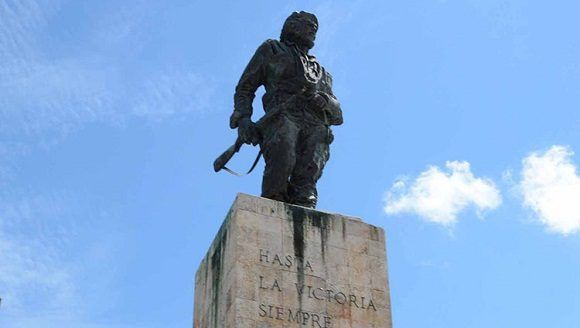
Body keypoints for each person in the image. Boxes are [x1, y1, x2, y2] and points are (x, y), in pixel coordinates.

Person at [229, 11, 342, 208]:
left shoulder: (321, 72)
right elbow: (245, 87)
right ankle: (274, 201)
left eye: (315, 28)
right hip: (282, 115)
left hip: (314, 121)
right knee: (284, 151)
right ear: (292, 27)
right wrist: (244, 118)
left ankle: (304, 199)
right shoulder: (272, 49)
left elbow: (337, 115)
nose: (313, 29)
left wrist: (324, 100)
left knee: (314, 157)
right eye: (308, 25)